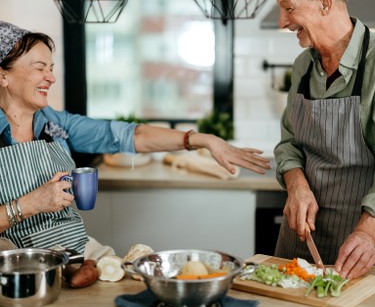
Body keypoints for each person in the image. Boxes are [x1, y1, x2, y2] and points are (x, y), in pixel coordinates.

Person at [0, 20, 271, 259]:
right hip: (16, 264)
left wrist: (205, 140)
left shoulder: (53, 122)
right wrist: (30, 204)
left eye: (51, 68)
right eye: (39, 68)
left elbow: (128, 135)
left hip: (72, 253)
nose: (51, 77)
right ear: (3, 75)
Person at [273, 0, 375, 279]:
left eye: (289, 8)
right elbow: (289, 143)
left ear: (324, 4)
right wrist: (296, 184)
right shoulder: (303, 66)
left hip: (359, 247)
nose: (282, 22)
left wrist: (369, 231)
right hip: (299, 241)